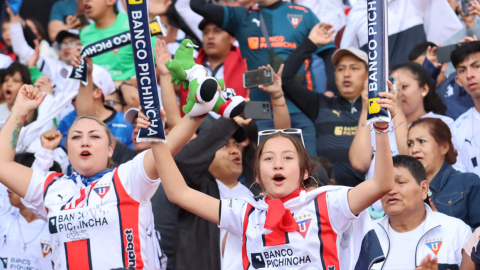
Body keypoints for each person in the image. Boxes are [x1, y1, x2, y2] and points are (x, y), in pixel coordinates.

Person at [141, 69, 398, 269]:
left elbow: (381, 184)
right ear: (257, 175)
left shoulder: (328, 203)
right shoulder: (244, 213)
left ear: (304, 172)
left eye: (287, 158)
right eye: (268, 159)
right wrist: (157, 140)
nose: (277, 164)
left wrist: (382, 129)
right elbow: (178, 192)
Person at [0, 82, 202, 269]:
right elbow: (2, 165)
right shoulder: (51, 188)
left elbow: (172, 144)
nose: (85, 142)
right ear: (67, 152)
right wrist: (19, 109)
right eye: (76, 137)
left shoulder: (128, 177)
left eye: (95, 136)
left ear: (110, 150)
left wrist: (199, 110)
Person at [190, 0, 339, 157]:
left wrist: (332, 90)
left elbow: (329, 52)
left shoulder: (304, 14)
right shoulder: (242, 16)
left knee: (308, 170)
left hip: (301, 108)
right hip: (259, 111)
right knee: (266, 172)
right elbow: (197, 5)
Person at [279, 23, 368, 187]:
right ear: (334, 75)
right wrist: (311, 42)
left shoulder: (379, 109)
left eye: (354, 68)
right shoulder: (321, 104)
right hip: (329, 198)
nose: (346, 74)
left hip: (369, 199)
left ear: (368, 75)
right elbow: (284, 80)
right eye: (341, 69)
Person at [375, 155, 472, 269]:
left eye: (400, 182)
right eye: (385, 184)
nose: (391, 191)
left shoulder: (456, 231)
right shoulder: (367, 235)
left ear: (424, 189)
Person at [341, 0, 463, 67]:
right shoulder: (358, 14)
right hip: (382, 89)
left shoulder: (412, 3)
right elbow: (348, 55)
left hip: (420, 80)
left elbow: (446, 39)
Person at [407, 117, 480, 228]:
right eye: (410, 144)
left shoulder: (468, 183)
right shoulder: (406, 189)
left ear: (444, 147)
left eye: (421, 141)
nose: (414, 149)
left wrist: (443, 227)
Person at [179, 18, 246, 115]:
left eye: (217, 31)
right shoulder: (188, 67)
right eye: (205, 32)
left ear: (232, 37)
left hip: (237, 126)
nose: (210, 36)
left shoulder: (246, 62)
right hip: (193, 128)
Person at [80, 0, 156, 83]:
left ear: (110, 1)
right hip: (95, 93)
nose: (85, 1)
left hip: (131, 94)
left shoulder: (136, 25)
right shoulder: (84, 33)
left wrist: (119, 86)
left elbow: (158, 69)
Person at [450, 41, 480, 177]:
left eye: (476, 66)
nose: (469, 75)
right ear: (458, 80)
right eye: (462, 70)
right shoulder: (458, 128)